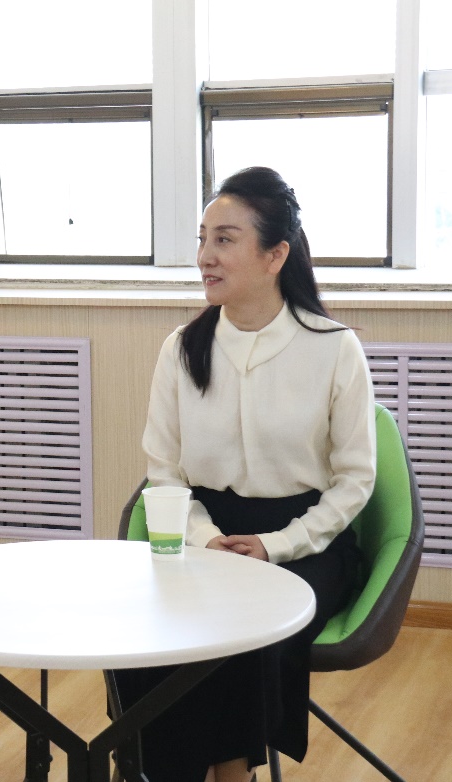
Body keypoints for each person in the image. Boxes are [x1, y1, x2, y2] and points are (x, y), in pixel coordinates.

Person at [113, 167, 377, 782]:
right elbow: (164, 473)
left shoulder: (333, 347)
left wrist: (275, 545)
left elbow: (355, 482)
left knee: (245, 627)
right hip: (204, 533)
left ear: (274, 255)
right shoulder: (182, 347)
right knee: (147, 628)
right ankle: (174, 769)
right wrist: (207, 540)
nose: (205, 256)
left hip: (305, 540)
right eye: (203, 239)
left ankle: (231, 771)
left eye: (225, 240)